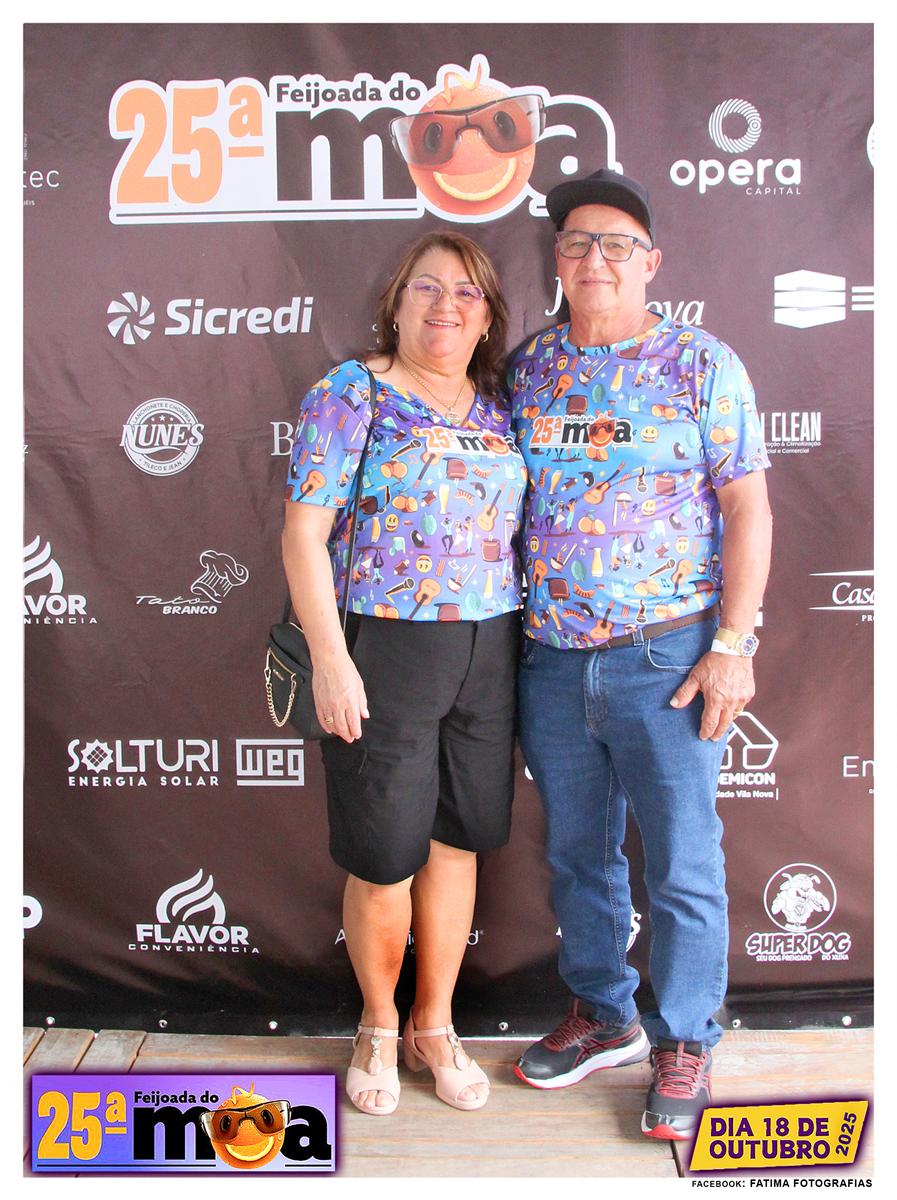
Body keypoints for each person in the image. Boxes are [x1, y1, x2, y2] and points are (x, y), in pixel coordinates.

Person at [508, 169, 772, 1139]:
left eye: (617, 243)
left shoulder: (701, 363)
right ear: (558, 258)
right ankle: (603, 1013)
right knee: (578, 855)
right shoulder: (529, 370)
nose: (596, 258)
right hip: (550, 658)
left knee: (682, 863)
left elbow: (747, 507)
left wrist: (732, 645)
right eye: (578, 242)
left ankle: (686, 1036)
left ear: (650, 262)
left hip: (668, 658)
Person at [282, 231, 525, 1116]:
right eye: (427, 288)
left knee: (456, 843)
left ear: (487, 316)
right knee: (385, 856)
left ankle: (434, 1024)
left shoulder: (499, 409)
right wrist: (331, 659)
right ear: (396, 302)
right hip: (382, 647)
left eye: (466, 293)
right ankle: (378, 1025)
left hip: (490, 648)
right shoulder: (351, 393)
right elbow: (303, 533)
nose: (445, 306)